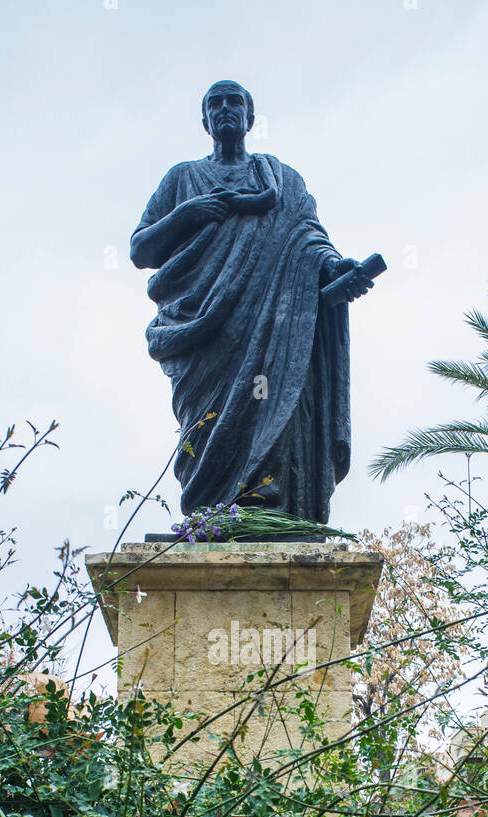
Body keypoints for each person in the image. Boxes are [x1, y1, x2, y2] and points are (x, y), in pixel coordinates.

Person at [130, 80, 373, 524]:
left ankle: (266, 509)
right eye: (215, 104)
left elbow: (311, 241)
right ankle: (210, 510)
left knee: (270, 401)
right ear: (205, 121)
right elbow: (140, 250)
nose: (225, 109)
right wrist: (189, 213)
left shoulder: (282, 179)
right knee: (205, 424)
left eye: (234, 102)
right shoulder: (183, 179)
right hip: (204, 333)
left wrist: (339, 270)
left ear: (250, 118)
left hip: (274, 328)